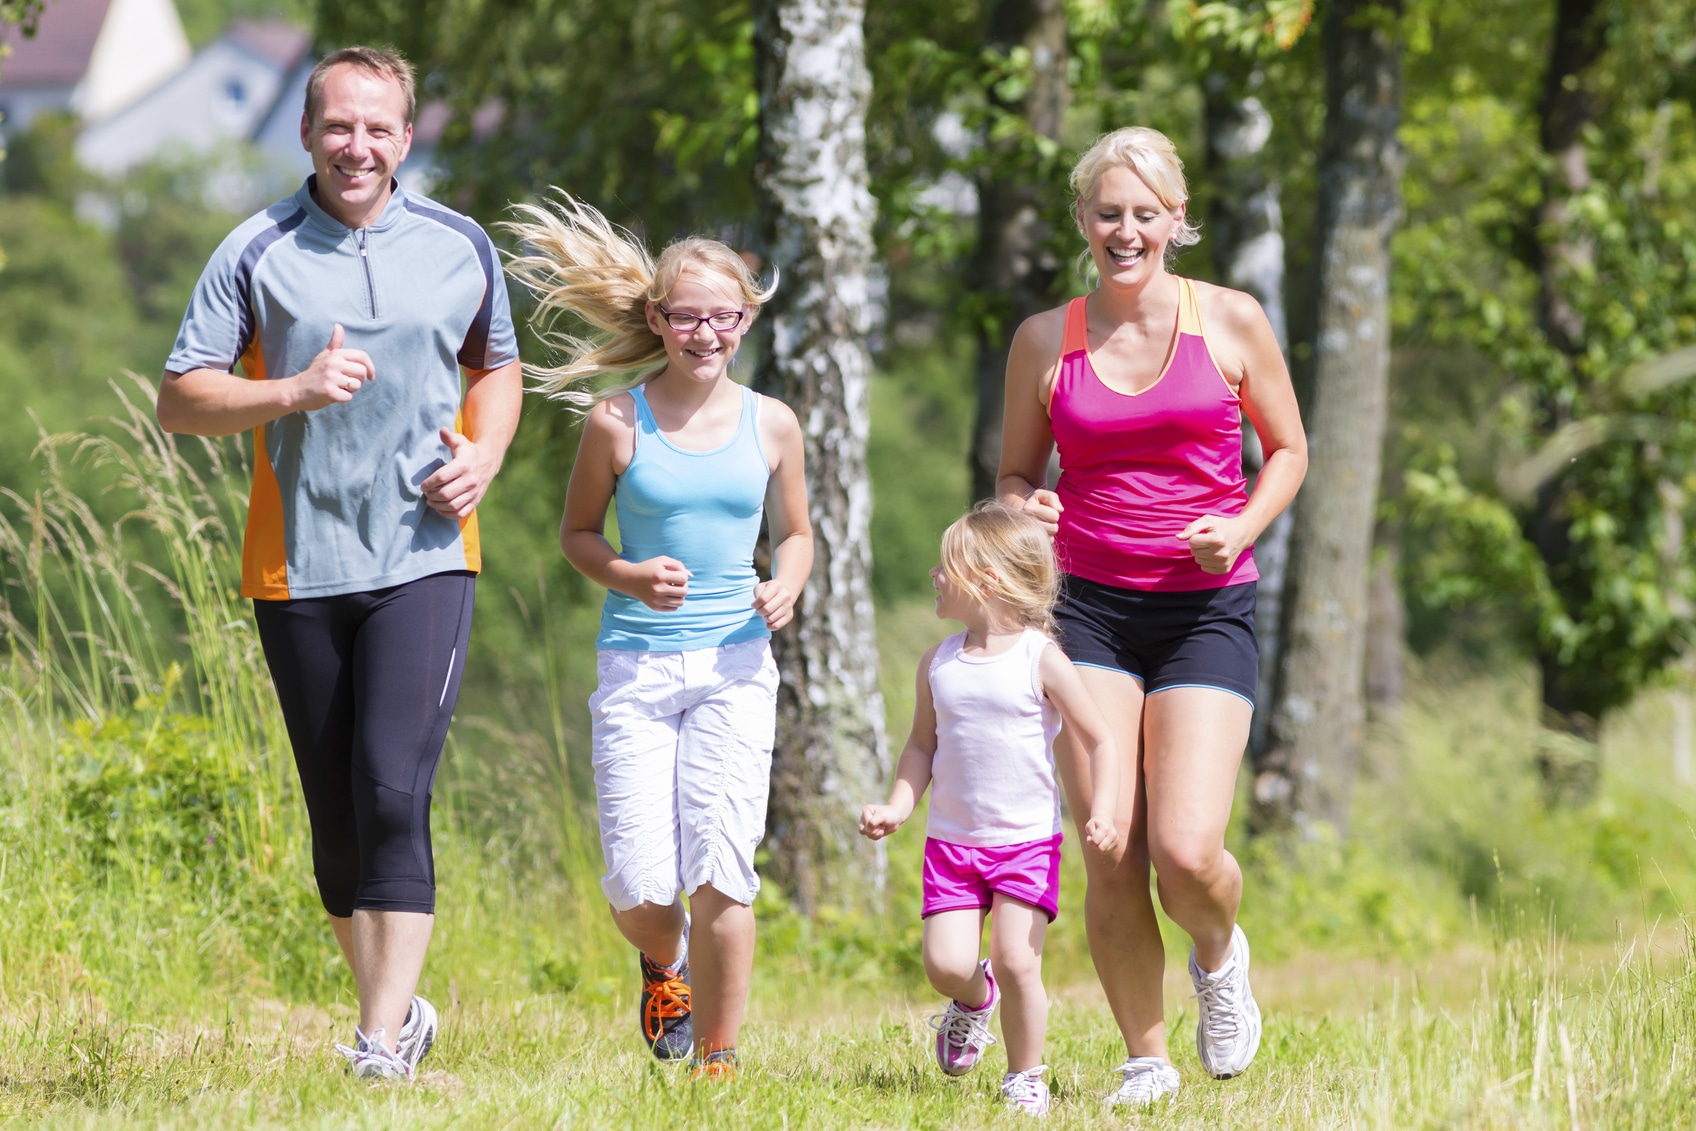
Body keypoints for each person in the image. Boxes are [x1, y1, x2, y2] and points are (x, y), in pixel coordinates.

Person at [156, 46, 523, 1080]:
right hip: (297, 563)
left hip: (426, 555)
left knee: (392, 788)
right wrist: (293, 391)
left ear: (406, 138)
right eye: (337, 126)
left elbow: (497, 365)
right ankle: (394, 1012)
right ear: (308, 134)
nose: (356, 145)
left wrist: (485, 453)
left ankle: (376, 1044)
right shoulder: (254, 250)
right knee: (336, 822)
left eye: (377, 128)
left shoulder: (458, 244)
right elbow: (181, 398)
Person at [997, 126, 1308, 1107]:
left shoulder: (1231, 322)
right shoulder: (1047, 340)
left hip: (1203, 611)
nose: (1124, 231)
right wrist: (1023, 506)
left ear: (1176, 220)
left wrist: (1242, 523)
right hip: (1084, 609)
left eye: (1144, 213)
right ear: (1083, 221)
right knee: (1106, 841)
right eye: (1107, 213)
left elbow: (1289, 451)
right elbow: (1013, 474)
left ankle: (1217, 953)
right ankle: (1146, 1058)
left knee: (1184, 849)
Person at [502, 194, 812, 1081]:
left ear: (747, 318)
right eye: (686, 315)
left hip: (734, 668)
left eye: (723, 315)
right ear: (657, 318)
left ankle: (720, 1059)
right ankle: (662, 962)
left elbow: (795, 534)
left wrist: (786, 581)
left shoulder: (772, 422)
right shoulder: (617, 421)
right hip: (637, 664)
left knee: (722, 867)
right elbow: (578, 536)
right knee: (643, 889)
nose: (704, 332)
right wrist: (632, 575)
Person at [859, 502, 1121, 1117]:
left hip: (1026, 843)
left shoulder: (1040, 658)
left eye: (945, 567)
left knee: (1016, 958)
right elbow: (921, 745)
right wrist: (899, 805)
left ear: (987, 582)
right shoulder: (938, 664)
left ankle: (1025, 1075)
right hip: (952, 844)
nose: (934, 576)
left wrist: (1102, 810)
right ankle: (975, 1002)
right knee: (946, 965)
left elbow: (1100, 738)